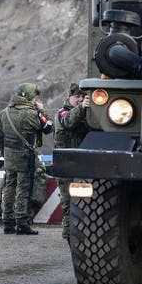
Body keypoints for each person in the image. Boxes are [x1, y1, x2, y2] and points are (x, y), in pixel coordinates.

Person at [0, 83, 53, 235]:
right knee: (23, 189)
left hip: (9, 155)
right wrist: (41, 110)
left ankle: (7, 221)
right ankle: (21, 223)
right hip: (25, 156)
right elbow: (48, 127)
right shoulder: (32, 114)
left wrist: (5, 154)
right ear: (29, 98)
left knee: (9, 187)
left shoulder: (4, 113)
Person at [54, 83, 91, 242]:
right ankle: (70, 236)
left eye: (83, 97)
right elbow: (68, 122)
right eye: (77, 97)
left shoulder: (86, 114)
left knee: (86, 204)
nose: (80, 99)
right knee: (69, 204)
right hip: (66, 166)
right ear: (69, 97)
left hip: (82, 165)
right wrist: (82, 107)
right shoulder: (63, 112)